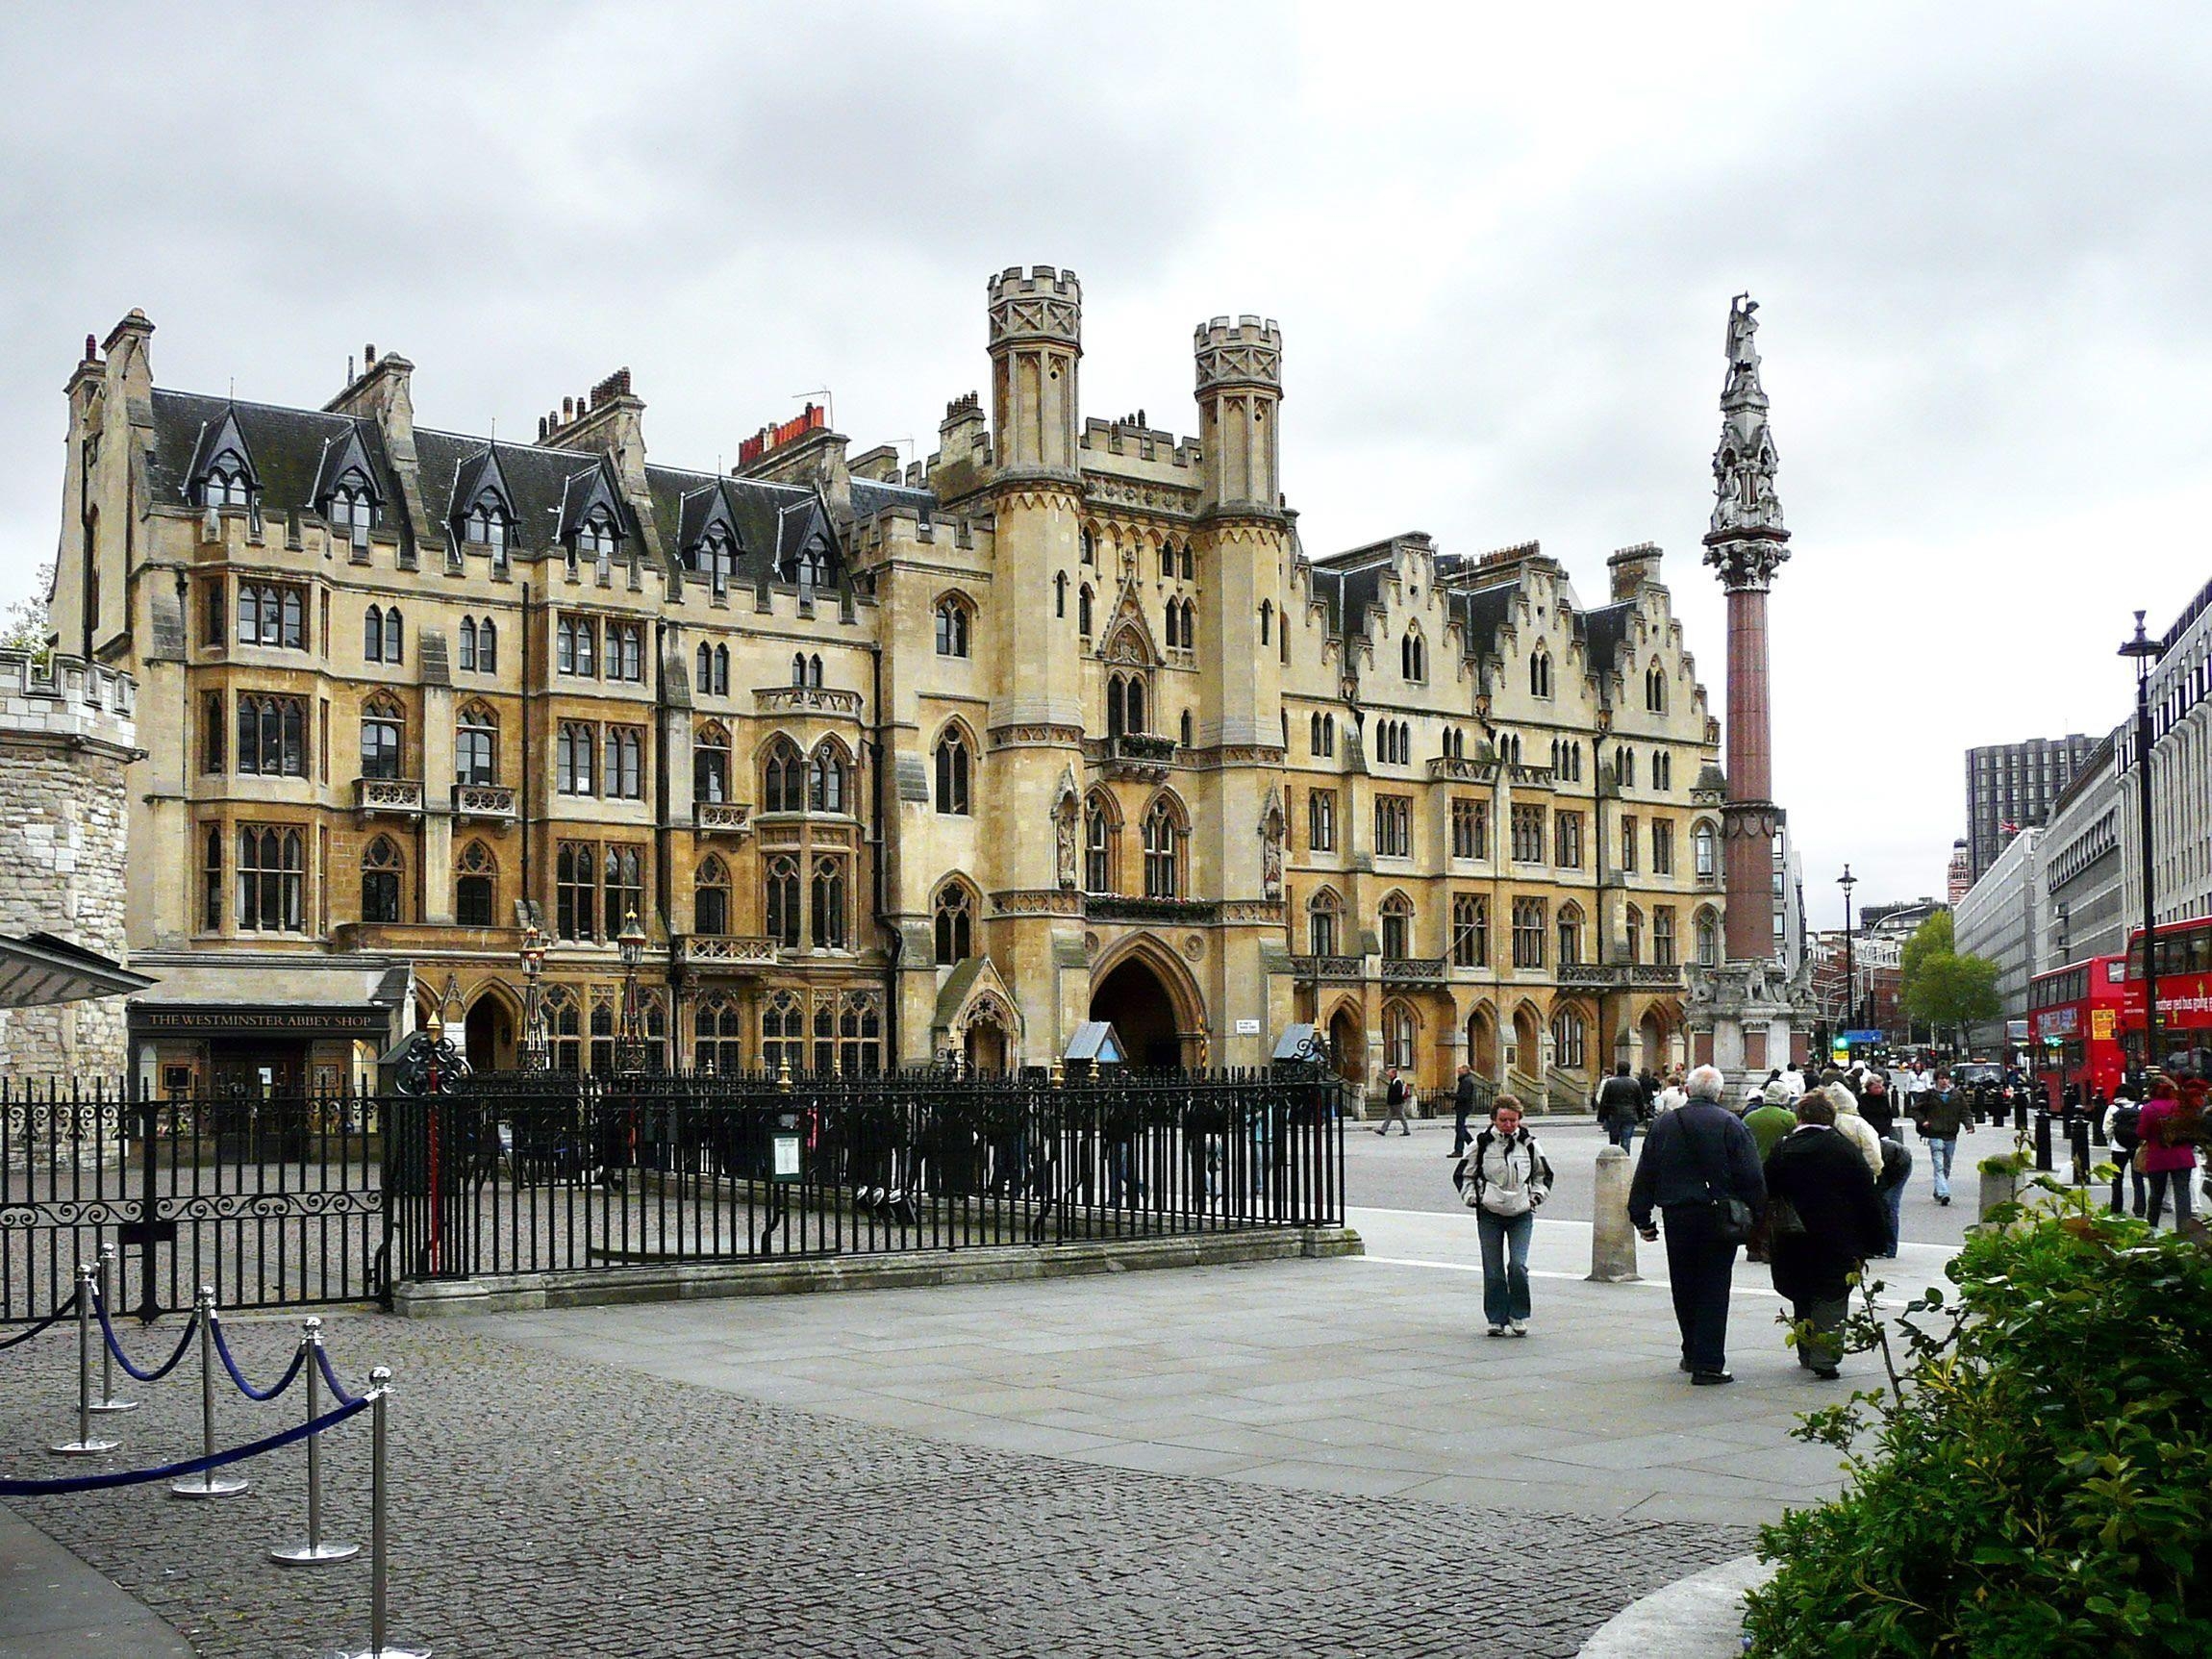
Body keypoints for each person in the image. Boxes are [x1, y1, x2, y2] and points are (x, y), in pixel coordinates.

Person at [1628, 1063, 1766, 1385]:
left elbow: (1647, 1171)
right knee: (1714, 1286)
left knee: (1684, 1283)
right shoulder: (1731, 1124)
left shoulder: (1664, 1125)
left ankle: (1691, 1350)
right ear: (1718, 1093)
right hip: (1718, 1215)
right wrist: (1757, 1218)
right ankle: (1708, 1362)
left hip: (1678, 1214)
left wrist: (1641, 1216)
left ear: (1688, 1091)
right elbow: (1751, 1176)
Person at [1762, 1092, 1890, 1379]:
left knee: (1801, 1293)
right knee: (1832, 1295)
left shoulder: (1783, 1149)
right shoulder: (1843, 1149)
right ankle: (1825, 1357)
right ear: (1829, 1117)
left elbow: (1767, 1187)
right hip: (1837, 1236)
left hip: (1793, 1235)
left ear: (1800, 1117)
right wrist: (1876, 1239)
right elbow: (1866, 1197)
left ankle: (1806, 1350)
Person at [1456, 1095, 1552, 1338]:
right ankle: (1496, 1318)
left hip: (1521, 1213)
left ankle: (1518, 1314)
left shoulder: (1530, 1144)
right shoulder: (1481, 1144)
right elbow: (1463, 1175)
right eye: (1503, 1120)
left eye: (1513, 1120)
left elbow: (1544, 1176)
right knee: (1493, 1268)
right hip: (1489, 1213)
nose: (1508, 1125)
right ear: (1494, 1120)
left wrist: (1535, 1198)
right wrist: (1472, 1197)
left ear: (1520, 1120)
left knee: (1518, 1265)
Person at [2136, 1077, 2199, 1231]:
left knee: (2156, 1194)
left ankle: (2153, 1228)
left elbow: (2142, 1133)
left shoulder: (2148, 1109)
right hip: (2183, 1156)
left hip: (2158, 1157)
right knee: (2183, 1194)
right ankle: (2184, 1231)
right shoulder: (2182, 1107)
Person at [1914, 1068, 1973, 1206]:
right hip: (1934, 1133)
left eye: (1946, 1078)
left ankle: (1938, 1190)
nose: (1944, 1081)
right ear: (1936, 1080)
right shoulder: (1929, 1095)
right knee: (1939, 1165)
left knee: (1946, 1165)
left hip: (1951, 1134)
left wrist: (1968, 1125)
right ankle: (1944, 1192)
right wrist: (1923, 1121)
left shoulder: (1957, 1095)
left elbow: (1965, 1112)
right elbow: (1915, 1110)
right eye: (1941, 1078)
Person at [1824, 1081, 1885, 1182]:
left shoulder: (1823, 1120)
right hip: (1857, 1170)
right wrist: (1874, 1172)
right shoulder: (1858, 1123)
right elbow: (1871, 1148)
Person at [2103, 1082, 2147, 1218]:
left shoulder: (2112, 1108)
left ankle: (2116, 1207)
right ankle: (2140, 1208)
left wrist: (2112, 1141)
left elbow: (2107, 1129)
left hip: (2118, 1147)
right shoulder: (2140, 1107)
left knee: (2117, 1178)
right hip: (2136, 1147)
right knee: (2138, 1179)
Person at [1873, 1128, 1912, 1258]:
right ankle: (1882, 1245)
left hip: (1898, 1164)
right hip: (1889, 1161)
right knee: (1881, 1203)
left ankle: (1890, 1248)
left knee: (1888, 1205)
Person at [1596, 1061, 1644, 1155]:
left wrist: (1601, 1117)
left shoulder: (1610, 1083)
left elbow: (1604, 1101)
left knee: (1614, 1140)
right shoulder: (1635, 1083)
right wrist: (1641, 1116)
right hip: (1630, 1114)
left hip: (1614, 1115)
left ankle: (1614, 1159)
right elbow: (1639, 1101)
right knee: (1626, 1140)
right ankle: (1625, 1159)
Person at [1449, 1063, 1479, 1157]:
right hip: (1463, 1106)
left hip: (1463, 1107)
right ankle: (1473, 1145)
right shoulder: (1464, 1080)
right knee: (1461, 1128)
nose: (1458, 1072)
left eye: (1460, 1070)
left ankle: (1459, 1149)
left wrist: (1452, 1096)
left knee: (1460, 1128)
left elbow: (1464, 1096)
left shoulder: (1466, 1081)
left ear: (1466, 1071)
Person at [1373, 1067, 1413, 1137]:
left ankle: (1406, 1130)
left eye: (1389, 1072)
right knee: (1388, 1117)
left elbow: (1397, 1093)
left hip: (1397, 1103)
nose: (1388, 1073)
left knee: (1401, 1117)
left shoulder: (1397, 1081)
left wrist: (1394, 1101)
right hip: (1392, 1103)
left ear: (1393, 1073)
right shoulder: (1393, 1081)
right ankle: (1383, 1130)